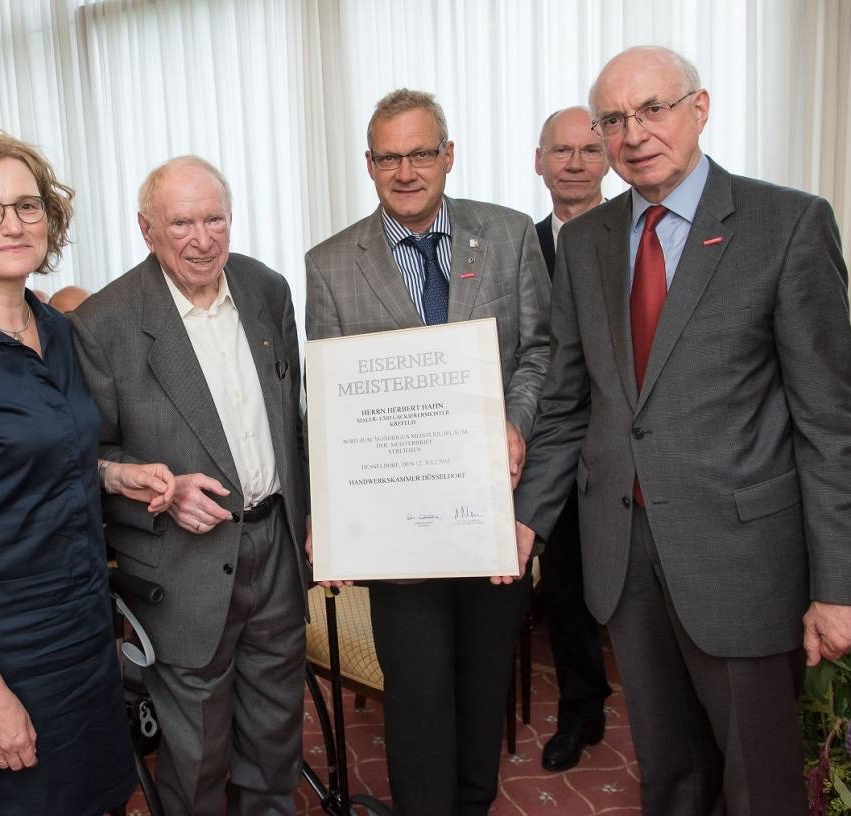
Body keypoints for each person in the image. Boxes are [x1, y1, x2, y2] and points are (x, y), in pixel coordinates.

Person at [512, 46, 851, 814]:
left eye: (653, 109)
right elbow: (567, 405)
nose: (633, 132)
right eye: (614, 118)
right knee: (669, 775)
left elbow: (828, 423)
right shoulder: (585, 244)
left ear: (699, 108)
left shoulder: (785, 224)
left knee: (758, 783)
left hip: (743, 564)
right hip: (626, 560)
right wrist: (525, 521)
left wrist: (844, 588)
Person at [0, 134, 176, 815]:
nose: (11, 224)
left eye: (26, 205)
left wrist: (109, 475)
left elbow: (35, 456)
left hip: (79, 623)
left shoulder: (58, 331)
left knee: (96, 796)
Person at [305, 89, 551, 815]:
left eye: (419, 153)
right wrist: (336, 516)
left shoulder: (507, 236)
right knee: (415, 697)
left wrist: (515, 421)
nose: (404, 170)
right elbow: (327, 399)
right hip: (394, 528)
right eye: (388, 156)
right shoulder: (329, 265)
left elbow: (539, 353)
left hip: (488, 517)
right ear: (368, 164)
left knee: (481, 688)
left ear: (447, 155)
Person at [70, 156, 309, 816]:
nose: (201, 239)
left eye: (214, 219)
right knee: (197, 760)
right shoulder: (104, 323)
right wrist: (162, 491)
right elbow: (86, 457)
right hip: (182, 567)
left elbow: (293, 418)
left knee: (273, 742)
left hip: (275, 547)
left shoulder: (266, 290)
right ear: (147, 230)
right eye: (181, 223)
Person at [531, 106, 613, 772]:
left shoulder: (639, 235)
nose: (575, 162)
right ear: (539, 161)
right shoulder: (515, 247)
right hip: (547, 450)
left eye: (589, 149)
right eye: (561, 151)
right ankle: (580, 710)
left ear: (608, 157)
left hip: (627, 450)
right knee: (564, 591)